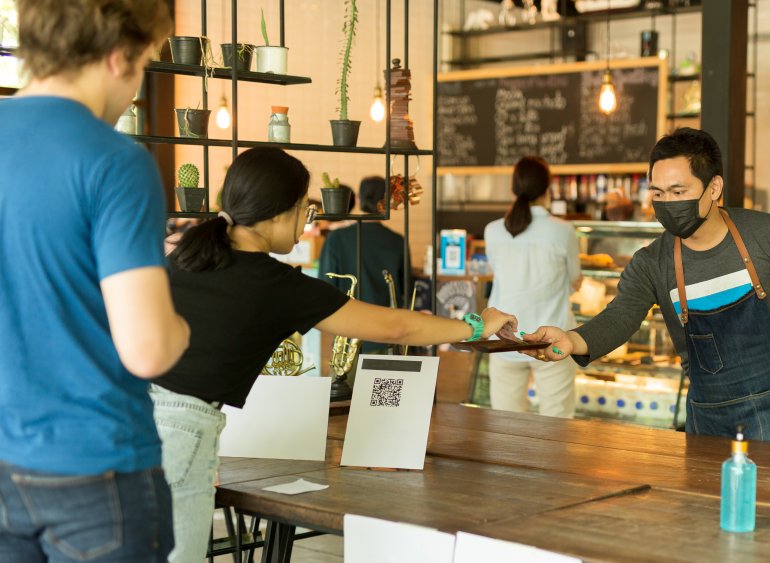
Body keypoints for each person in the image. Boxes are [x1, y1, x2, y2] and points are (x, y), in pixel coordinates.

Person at [153, 147, 517, 562]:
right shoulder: (278, 285)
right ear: (278, 213)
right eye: (305, 210)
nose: (307, 225)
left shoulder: (185, 257)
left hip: (120, 418)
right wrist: (475, 325)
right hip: (180, 431)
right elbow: (396, 326)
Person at [523, 128, 770, 446]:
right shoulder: (652, 263)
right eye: (657, 192)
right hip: (711, 418)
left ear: (713, 188)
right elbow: (620, 317)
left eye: (678, 191)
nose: (667, 203)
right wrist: (573, 339)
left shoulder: (766, 234)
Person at [0, 1, 190, 561]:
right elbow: (149, 351)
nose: (137, 85)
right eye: (145, 65)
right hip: (96, 468)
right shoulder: (113, 161)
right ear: (116, 57)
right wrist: (179, 326)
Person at [484, 156, 582, 418]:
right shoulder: (563, 230)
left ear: (514, 188)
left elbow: (499, 273)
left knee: (506, 426)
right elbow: (575, 279)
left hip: (505, 338)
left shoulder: (493, 231)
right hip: (553, 337)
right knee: (557, 423)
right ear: (547, 188)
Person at [319, 176, 407, 355]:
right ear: (388, 201)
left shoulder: (336, 239)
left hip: (347, 339)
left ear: (358, 199)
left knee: (346, 384)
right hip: (388, 337)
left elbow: (324, 289)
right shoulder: (397, 241)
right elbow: (406, 291)